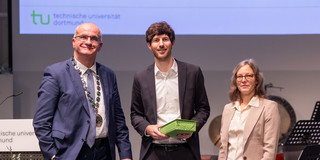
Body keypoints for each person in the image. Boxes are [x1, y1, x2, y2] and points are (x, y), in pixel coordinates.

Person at [33, 22, 132, 160]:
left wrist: (125, 155)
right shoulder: (56, 73)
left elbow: (118, 120)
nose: (88, 42)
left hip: (104, 152)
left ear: (100, 46)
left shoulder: (108, 74)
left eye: (94, 38)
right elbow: (41, 121)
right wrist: (53, 155)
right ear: (74, 42)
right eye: (83, 37)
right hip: (69, 153)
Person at [130, 21, 210, 160]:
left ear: (172, 43)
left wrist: (192, 128)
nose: (161, 44)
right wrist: (148, 129)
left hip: (185, 151)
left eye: (165, 39)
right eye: (156, 40)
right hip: (153, 152)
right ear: (149, 46)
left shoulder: (192, 72)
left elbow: (203, 109)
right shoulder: (140, 77)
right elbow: (135, 114)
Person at [218, 59, 280, 160]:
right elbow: (223, 148)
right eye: (240, 76)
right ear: (235, 81)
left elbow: (270, 149)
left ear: (256, 80)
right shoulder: (228, 109)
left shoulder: (269, 107)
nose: (243, 80)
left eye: (249, 75)